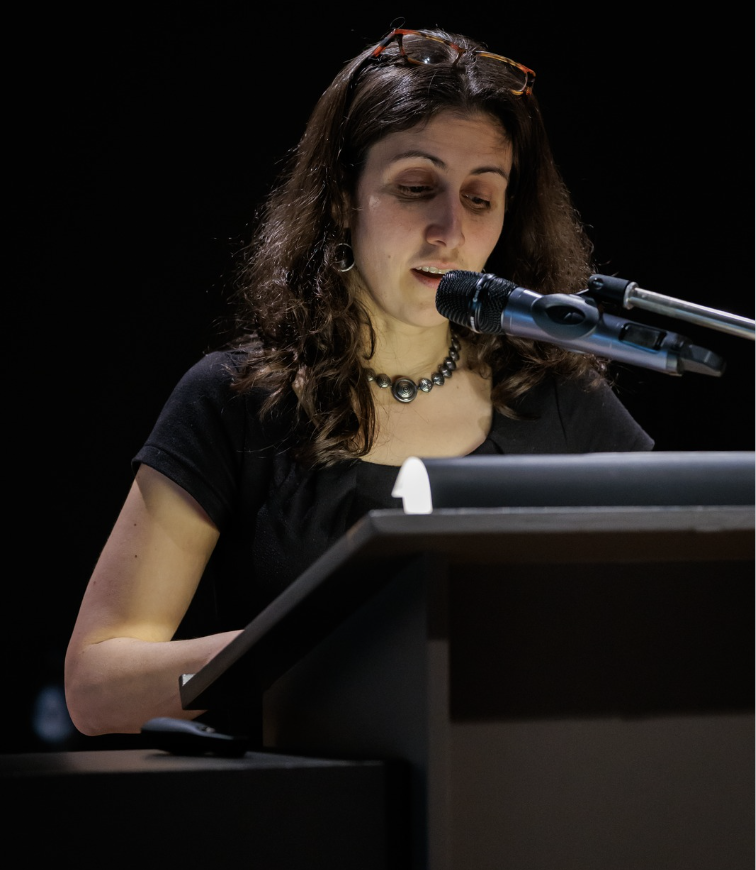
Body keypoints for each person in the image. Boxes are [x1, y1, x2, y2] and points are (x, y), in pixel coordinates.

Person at [64, 24, 654, 738]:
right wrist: (340, 646)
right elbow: (96, 687)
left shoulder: (560, 397)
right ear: (343, 197)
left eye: (480, 198)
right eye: (415, 187)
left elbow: (670, 623)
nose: (449, 230)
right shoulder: (237, 400)